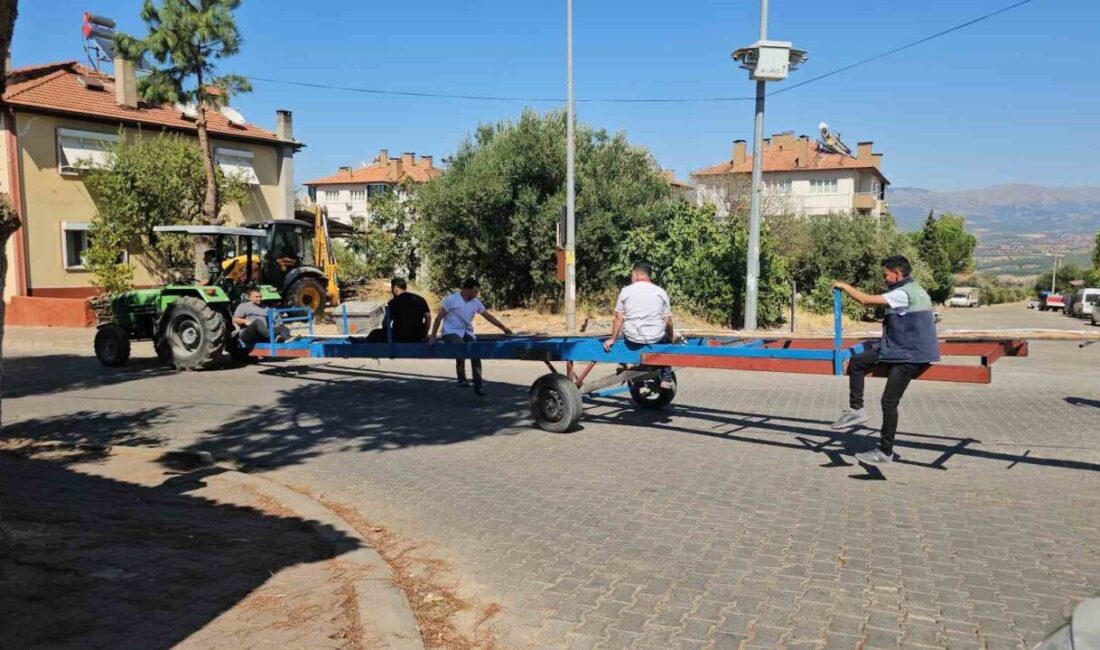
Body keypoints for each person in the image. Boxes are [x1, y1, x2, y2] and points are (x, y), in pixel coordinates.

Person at [831, 255, 941, 464]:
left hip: (909, 354)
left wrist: (844, 286)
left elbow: (865, 300)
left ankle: (885, 451)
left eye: (885, 275)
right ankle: (856, 410)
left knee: (889, 402)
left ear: (897, 274)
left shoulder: (902, 293)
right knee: (857, 362)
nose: (884, 279)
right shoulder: (916, 288)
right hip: (900, 348)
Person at [428, 278, 513, 397]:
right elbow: (438, 318)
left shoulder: (476, 302)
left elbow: (488, 316)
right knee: (461, 346)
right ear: (465, 290)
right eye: (474, 291)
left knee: (476, 351)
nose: (476, 294)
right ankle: (461, 377)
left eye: (477, 292)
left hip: (466, 331)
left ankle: (478, 386)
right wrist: (432, 336)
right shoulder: (452, 299)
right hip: (451, 331)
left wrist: (504, 328)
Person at [603, 262, 675, 389]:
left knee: (619, 339)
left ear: (635, 276)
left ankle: (628, 365)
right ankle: (666, 378)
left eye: (631, 275)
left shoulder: (626, 291)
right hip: (656, 338)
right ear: (648, 276)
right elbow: (668, 320)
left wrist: (612, 339)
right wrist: (671, 336)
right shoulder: (660, 292)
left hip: (632, 338)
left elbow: (618, 318)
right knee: (666, 344)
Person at [366, 277, 431, 343]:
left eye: (392, 289)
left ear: (395, 289)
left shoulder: (393, 303)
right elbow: (428, 317)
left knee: (374, 333)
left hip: (399, 337)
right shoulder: (420, 300)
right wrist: (425, 334)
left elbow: (385, 323)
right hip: (417, 336)